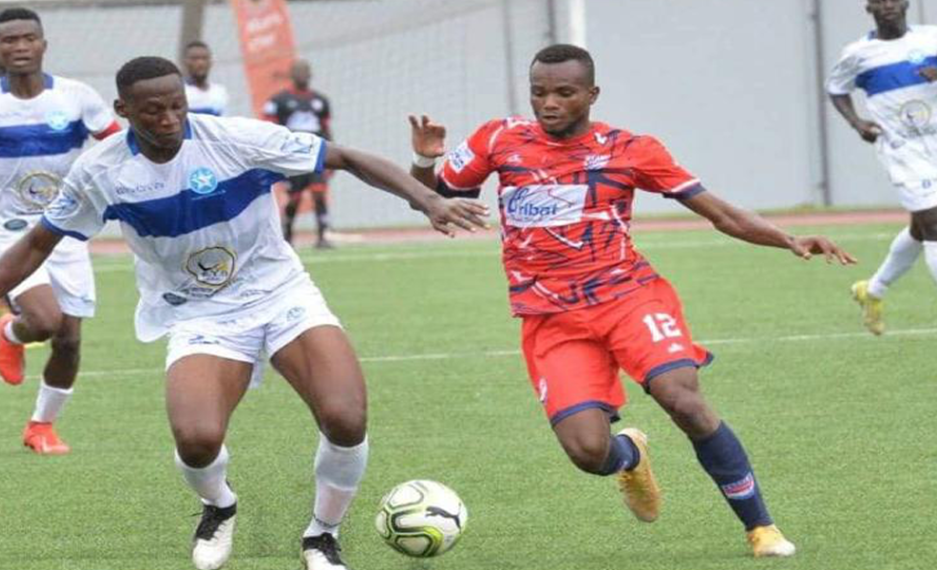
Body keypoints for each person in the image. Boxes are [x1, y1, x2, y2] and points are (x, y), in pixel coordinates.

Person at [0, 56, 488, 570]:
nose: (168, 119)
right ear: (122, 109)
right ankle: (218, 506)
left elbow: (345, 157)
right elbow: (35, 244)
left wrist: (429, 199)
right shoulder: (102, 171)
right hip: (199, 313)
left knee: (345, 417)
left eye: (176, 105)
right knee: (198, 438)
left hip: (281, 294)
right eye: (152, 110)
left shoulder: (235, 138)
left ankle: (322, 536)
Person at [407, 44, 856, 558]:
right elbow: (432, 198)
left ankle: (761, 528)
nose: (548, 103)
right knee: (587, 451)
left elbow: (719, 213)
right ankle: (630, 457)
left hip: (628, 298)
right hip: (551, 319)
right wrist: (425, 159)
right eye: (539, 92)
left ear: (591, 94)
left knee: (681, 397)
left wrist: (789, 239)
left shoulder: (630, 149)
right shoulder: (498, 139)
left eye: (564, 92)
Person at [0, 7, 121, 454]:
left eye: (28, 38)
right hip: (8, 225)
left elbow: (116, 146)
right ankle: (16, 328)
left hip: (66, 223)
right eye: (9, 41)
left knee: (68, 340)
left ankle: (39, 425)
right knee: (48, 320)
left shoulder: (76, 97)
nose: (19, 47)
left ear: (43, 44)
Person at [828, 0, 937, 335]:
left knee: (920, 228)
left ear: (905, 4)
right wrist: (856, 123)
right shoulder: (858, 53)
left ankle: (871, 290)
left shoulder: (931, 38)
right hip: (903, 151)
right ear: (869, 8)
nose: (888, 5)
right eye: (880, 1)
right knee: (934, 223)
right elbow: (836, 89)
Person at [263, 59, 335, 248]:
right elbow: (270, 129)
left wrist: (332, 157)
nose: (302, 75)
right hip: (292, 157)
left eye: (305, 71)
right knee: (294, 198)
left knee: (319, 193)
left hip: (317, 155)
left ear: (310, 75)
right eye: (298, 72)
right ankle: (287, 236)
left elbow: (326, 129)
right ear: (292, 75)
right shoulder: (278, 101)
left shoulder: (320, 101)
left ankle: (323, 235)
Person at [182, 40, 230, 116]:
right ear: (185, 62)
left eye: (204, 58)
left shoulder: (219, 92)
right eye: (195, 58)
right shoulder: (180, 91)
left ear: (211, 62)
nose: (200, 63)